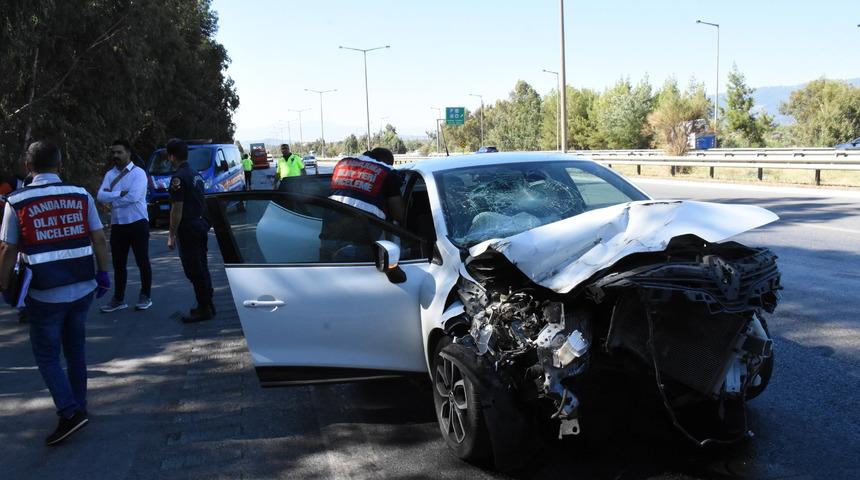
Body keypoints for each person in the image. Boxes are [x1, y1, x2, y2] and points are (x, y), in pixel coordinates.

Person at [0, 141, 110, 446]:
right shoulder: (80, 194)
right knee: (75, 350)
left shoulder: (17, 201)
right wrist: (103, 273)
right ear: (60, 165)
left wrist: (4, 284)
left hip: (45, 293)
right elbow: (99, 238)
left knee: (47, 355)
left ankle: (69, 412)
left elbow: (8, 248)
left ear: (27, 167)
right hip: (83, 287)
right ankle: (80, 405)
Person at [96, 140, 153, 312]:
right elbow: (100, 196)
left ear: (128, 153)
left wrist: (112, 199)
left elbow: (134, 197)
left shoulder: (139, 173)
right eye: (113, 152)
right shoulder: (110, 174)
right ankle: (118, 299)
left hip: (138, 222)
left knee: (142, 260)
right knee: (118, 263)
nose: (115, 156)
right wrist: (120, 194)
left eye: (119, 152)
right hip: (118, 224)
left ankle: (145, 295)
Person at [319, 147, 405, 261]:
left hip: (329, 238)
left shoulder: (343, 163)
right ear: (386, 161)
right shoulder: (387, 172)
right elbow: (399, 215)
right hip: (361, 243)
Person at [165, 138, 214, 323]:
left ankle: (204, 309)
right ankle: (207, 303)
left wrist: (171, 235)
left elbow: (177, 209)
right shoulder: (195, 174)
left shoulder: (178, 178)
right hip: (200, 224)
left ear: (171, 157)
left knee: (193, 269)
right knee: (201, 266)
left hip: (188, 228)